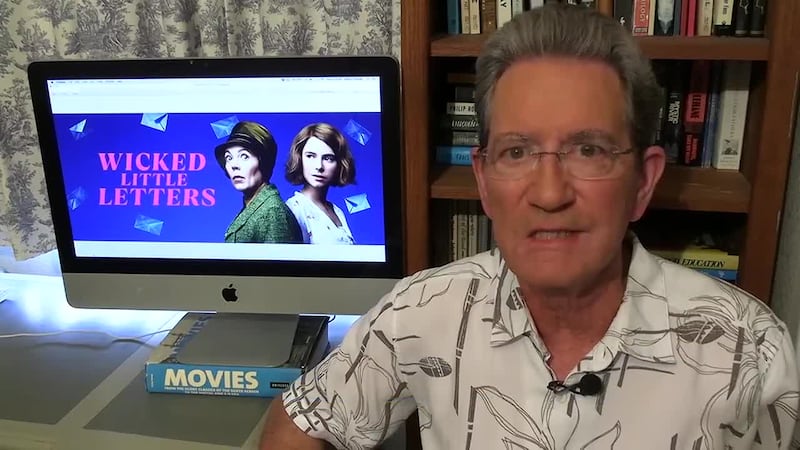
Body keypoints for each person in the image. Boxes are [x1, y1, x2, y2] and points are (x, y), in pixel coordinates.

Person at [260, 4, 800, 449]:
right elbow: (298, 423)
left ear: (643, 181)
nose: (549, 194)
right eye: (517, 152)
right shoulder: (418, 313)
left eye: (588, 151)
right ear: (484, 180)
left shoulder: (751, 351)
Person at [215, 121, 303, 243]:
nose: (234, 165)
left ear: (263, 161)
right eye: (229, 158)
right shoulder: (255, 206)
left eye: (244, 156)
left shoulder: (273, 212)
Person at [283, 123, 357, 245]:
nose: (319, 166)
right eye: (310, 156)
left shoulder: (337, 211)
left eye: (328, 158)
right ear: (300, 159)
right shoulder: (294, 210)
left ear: (339, 163)